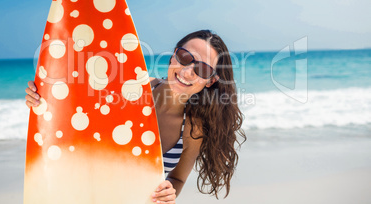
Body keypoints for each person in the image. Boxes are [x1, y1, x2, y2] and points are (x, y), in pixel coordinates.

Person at [25, 29, 246, 203]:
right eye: (185, 57)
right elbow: (77, 114)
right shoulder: (133, 87)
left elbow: (177, 179)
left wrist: (170, 193)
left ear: (211, 81)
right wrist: (43, 100)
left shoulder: (193, 129)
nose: (188, 71)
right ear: (173, 57)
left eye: (203, 70)